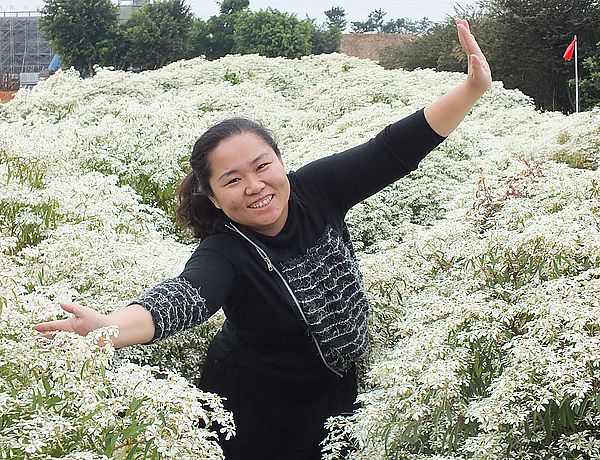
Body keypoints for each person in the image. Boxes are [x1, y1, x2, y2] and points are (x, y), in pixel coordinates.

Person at [35, 19, 491, 460]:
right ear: (212, 198)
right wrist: (111, 328)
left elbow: (392, 149)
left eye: (262, 165)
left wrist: (472, 88)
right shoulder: (225, 251)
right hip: (253, 407)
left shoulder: (317, 188)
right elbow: (183, 298)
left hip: (332, 386)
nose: (255, 186)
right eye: (232, 180)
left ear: (280, 161)